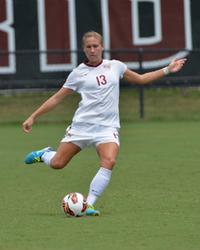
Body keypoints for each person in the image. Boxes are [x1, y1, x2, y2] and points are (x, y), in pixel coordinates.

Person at [22, 31, 186, 216]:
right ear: (83, 49)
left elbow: (141, 79)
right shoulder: (78, 73)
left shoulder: (115, 66)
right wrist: (33, 116)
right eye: (88, 47)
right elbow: (57, 98)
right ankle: (44, 154)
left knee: (109, 160)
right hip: (81, 127)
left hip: (107, 129)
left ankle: (88, 204)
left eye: (95, 46)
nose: (92, 50)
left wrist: (167, 69)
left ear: (102, 47)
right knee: (58, 163)